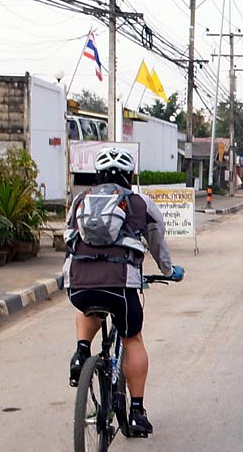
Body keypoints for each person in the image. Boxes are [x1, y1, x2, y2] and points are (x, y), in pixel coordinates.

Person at [64, 147, 184, 436]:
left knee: (88, 306)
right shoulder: (138, 202)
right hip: (120, 285)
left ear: (98, 174)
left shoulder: (81, 200)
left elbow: (68, 236)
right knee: (133, 339)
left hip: (78, 284)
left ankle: (82, 352)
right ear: (130, 175)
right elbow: (157, 240)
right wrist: (168, 271)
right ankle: (137, 412)